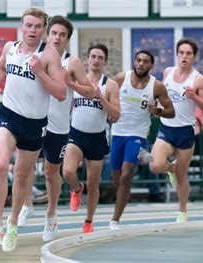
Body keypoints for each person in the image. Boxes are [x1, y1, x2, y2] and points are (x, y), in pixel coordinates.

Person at [0, 8, 66, 252]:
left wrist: (40, 71)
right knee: (0, 165)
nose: (32, 30)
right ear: (21, 26)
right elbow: (0, 67)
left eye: (37, 26)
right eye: (28, 25)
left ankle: (12, 223)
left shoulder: (49, 55)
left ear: (43, 29)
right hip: (8, 115)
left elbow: (61, 93)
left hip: (34, 123)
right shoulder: (10, 48)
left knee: (21, 175)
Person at [15, 15, 97, 242]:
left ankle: (51, 216)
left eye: (63, 35)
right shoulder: (33, 55)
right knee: (25, 165)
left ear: (68, 39)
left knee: (52, 172)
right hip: (33, 120)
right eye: (54, 33)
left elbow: (91, 92)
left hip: (58, 127)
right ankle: (26, 204)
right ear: (47, 33)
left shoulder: (72, 62)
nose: (57, 38)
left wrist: (71, 83)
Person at [108, 50, 175, 230]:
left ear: (151, 66)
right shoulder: (121, 78)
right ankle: (145, 158)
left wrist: (158, 111)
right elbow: (105, 94)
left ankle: (115, 219)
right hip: (117, 134)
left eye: (145, 61)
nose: (141, 64)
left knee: (127, 171)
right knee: (118, 180)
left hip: (137, 134)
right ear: (134, 61)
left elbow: (171, 111)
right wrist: (109, 111)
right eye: (138, 60)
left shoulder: (157, 86)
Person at [149, 38, 203, 223]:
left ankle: (182, 211)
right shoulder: (167, 72)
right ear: (176, 55)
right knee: (155, 165)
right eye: (181, 53)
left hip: (185, 132)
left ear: (194, 57)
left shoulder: (199, 79)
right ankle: (171, 168)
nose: (184, 56)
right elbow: (161, 96)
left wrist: (194, 97)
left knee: (182, 176)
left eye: (188, 53)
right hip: (167, 128)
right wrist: (156, 106)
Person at [62, 44, 120, 233]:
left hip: (96, 138)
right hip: (76, 134)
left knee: (94, 183)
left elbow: (116, 115)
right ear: (87, 59)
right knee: (68, 172)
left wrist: (101, 98)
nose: (96, 60)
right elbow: (66, 104)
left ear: (105, 61)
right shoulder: (78, 80)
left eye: (100, 57)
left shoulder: (110, 85)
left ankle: (88, 221)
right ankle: (77, 188)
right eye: (93, 56)